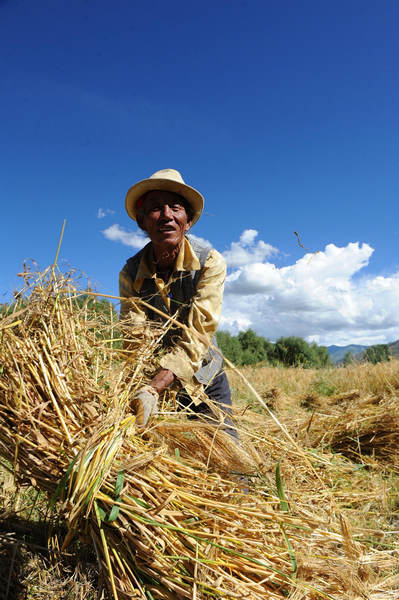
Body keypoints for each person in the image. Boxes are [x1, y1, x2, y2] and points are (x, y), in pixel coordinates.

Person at [119, 168, 236, 437]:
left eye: (175, 207)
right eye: (156, 209)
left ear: (188, 221)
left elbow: (200, 332)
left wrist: (156, 385)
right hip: (152, 381)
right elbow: (134, 337)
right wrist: (143, 388)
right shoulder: (130, 273)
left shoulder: (209, 262)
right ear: (142, 221)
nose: (167, 216)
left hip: (202, 377)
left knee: (226, 457)